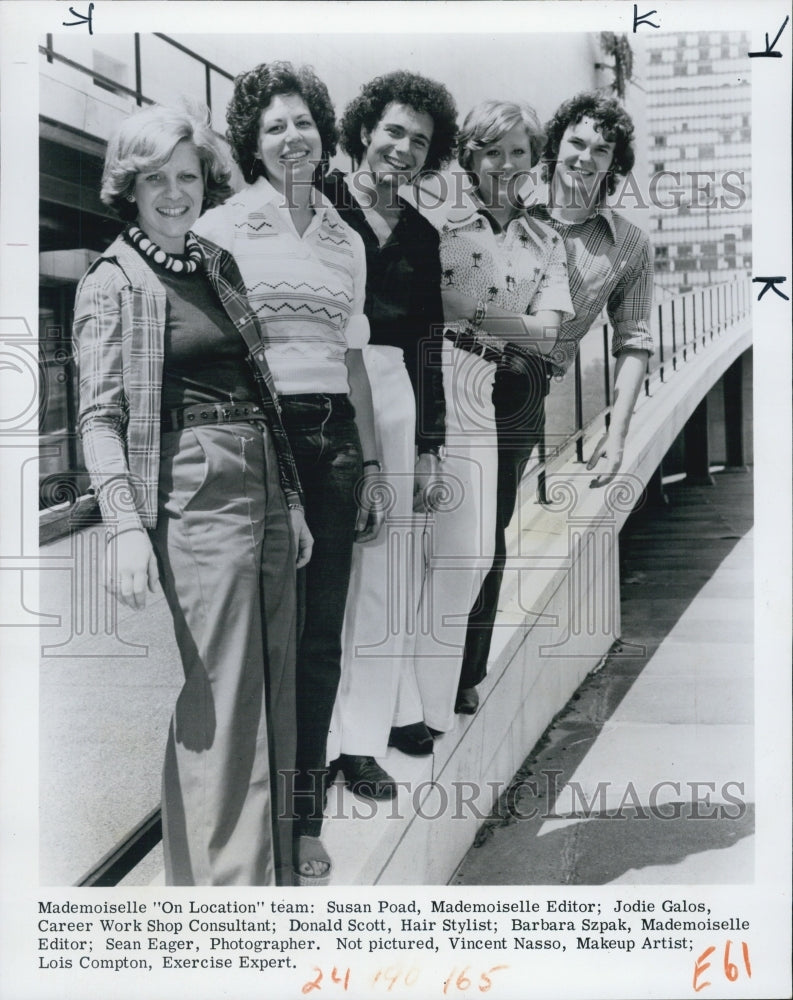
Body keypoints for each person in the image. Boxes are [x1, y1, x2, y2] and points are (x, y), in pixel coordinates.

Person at [74, 102, 312, 886]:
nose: (174, 192)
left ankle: (249, 883)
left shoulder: (215, 263)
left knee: (273, 685)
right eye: (155, 179)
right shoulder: (113, 281)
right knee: (224, 691)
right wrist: (125, 529)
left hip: (266, 480)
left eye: (186, 176)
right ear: (129, 187)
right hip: (192, 480)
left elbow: (262, 385)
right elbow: (99, 417)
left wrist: (296, 502)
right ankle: (228, 904)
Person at [194, 62, 383, 885]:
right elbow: (222, 359)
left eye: (302, 121)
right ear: (252, 140)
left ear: (323, 129)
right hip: (259, 443)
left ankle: (302, 821)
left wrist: (372, 464)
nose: (291, 136)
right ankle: (247, 829)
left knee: (317, 645)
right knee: (256, 648)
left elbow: (355, 363)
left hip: (336, 440)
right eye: (273, 126)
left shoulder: (348, 240)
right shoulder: (224, 226)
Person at [457, 91, 654, 708]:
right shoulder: (508, 199)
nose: (585, 157)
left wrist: (615, 432)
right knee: (432, 518)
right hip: (455, 363)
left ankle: (461, 676)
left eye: (601, 150)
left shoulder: (626, 245)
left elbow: (635, 340)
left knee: (489, 527)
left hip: (525, 380)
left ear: (614, 166)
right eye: (576, 142)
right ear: (557, 146)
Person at [411, 99, 574, 732]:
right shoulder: (441, 225)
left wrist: (476, 316)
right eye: (491, 152)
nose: (505, 164)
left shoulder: (548, 238)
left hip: (517, 392)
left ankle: (463, 674)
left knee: (491, 531)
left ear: (534, 161)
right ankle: (419, 670)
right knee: (440, 530)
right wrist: (511, 324)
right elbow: (436, 304)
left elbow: (549, 337)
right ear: (469, 159)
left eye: (518, 153)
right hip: (449, 378)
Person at [320, 71, 458, 797]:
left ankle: (366, 734)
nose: (403, 149)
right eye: (393, 131)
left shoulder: (421, 233)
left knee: (388, 572)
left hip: (396, 398)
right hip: (325, 390)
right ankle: (335, 726)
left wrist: (431, 446)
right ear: (364, 129)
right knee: (333, 577)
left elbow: (428, 344)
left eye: (420, 141)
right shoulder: (318, 209)